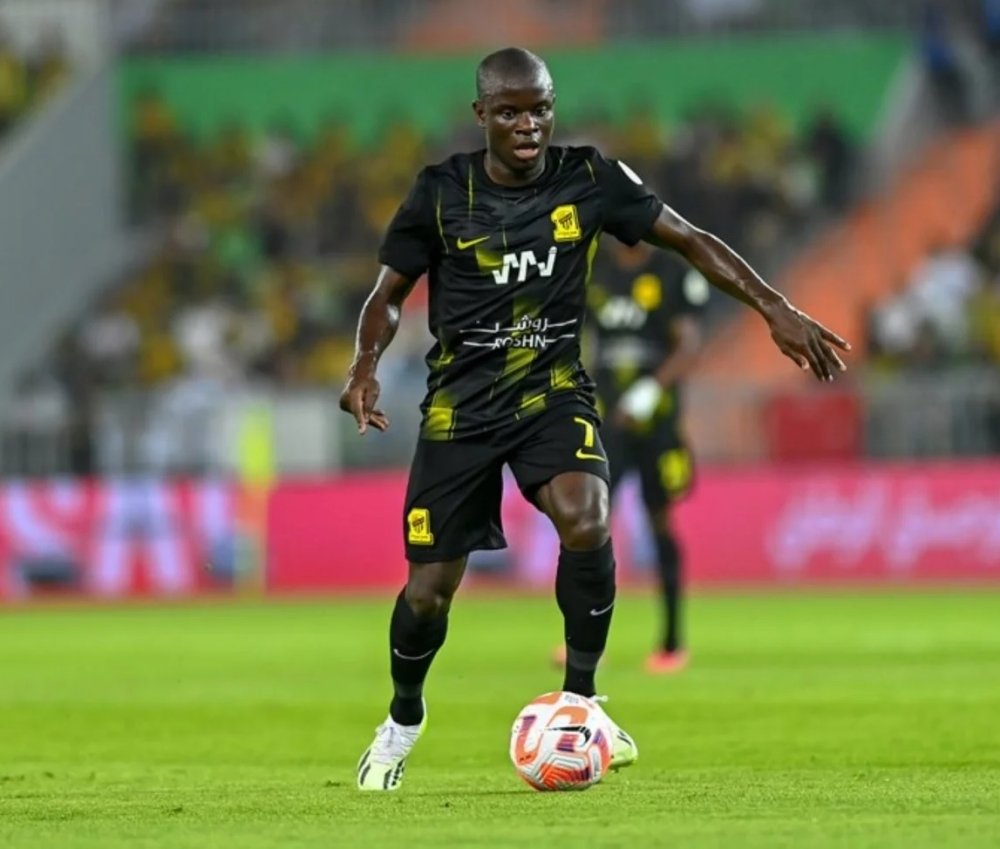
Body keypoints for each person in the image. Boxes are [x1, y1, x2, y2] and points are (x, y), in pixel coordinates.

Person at [339, 47, 850, 792]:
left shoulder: (589, 179)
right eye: (510, 112)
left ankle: (581, 703)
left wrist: (776, 307)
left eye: (540, 109)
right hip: (461, 409)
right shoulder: (441, 192)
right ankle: (402, 721)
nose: (528, 125)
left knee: (587, 517)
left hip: (553, 394)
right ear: (481, 115)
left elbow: (690, 239)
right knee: (428, 593)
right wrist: (364, 365)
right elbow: (387, 295)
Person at [586, 240, 708, 673]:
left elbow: (688, 344)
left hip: (657, 421)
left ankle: (672, 642)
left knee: (660, 522)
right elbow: (581, 339)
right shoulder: (594, 270)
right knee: (591, 522)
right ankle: (584, 640)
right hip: (607, 419)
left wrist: (652, 389)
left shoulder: (671, 272)